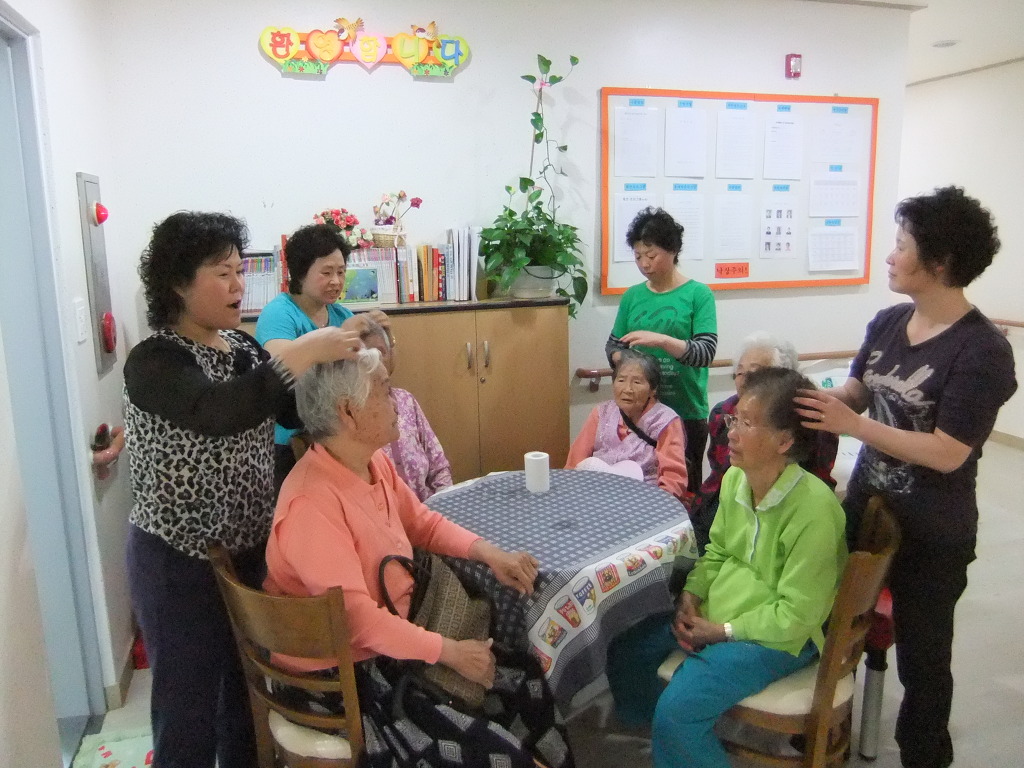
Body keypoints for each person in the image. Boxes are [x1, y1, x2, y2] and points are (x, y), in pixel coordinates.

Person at [124, 211, 363, 768]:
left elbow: (289, 411)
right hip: (178, 562)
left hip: (250, 554)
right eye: (222, 273)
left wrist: (347, 369)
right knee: (187, 712)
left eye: (240, 271)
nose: (239, 286)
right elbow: (218, 411)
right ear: (178, 284)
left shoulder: (241, 347)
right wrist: (303, 351)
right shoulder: (156, 360)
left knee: (247, 700)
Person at [264, 349, 575, 768]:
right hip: (346, 674)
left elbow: (422, 523)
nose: (396, 400)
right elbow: (356, 620)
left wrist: (489, 554)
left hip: (399, 636)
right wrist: (450, 652)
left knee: (524, 676)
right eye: (383, 390)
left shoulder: (370, 463)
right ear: (349, 413)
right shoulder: (311, 505)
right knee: (493, 748)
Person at [794, 186, 1017, 768]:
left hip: (933, 530)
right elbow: (858, 391)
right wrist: (809, 398)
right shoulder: (890, 321)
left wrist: (853, 426)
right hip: (866, 509)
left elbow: (947, 452)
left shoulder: (982, 351)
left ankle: (925, 754)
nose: (890, 257)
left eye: (901, 246)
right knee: (828, 618)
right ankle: (820, 724)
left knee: (924, 658)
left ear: (939, 263)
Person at [606, 368, 847, 768]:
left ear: (784, 440)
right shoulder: (736, 479)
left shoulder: (815, 511)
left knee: (678, 711)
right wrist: (691, 595)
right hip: (720, 612)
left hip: (776, 638)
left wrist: (722, 632)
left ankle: (678, 732)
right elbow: (717, 550)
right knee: (627, 651)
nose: (731, 432)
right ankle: (674, 741)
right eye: (734, 419)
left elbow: (798, 615)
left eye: (747, 424)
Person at [256, 223, 383, 492]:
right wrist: (340, 337)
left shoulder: (341, 314)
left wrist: (385, 337)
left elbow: (374, 373)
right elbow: (285, 373)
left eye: (341, 272)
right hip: (291, 438)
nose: (336, 281)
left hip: (337, 431)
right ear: (300, 272)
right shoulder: (278, 313)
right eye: (326, 272)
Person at [688, 332, 839, 553]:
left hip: (781, 511)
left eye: (755, 372)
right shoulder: (723, 413)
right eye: (739, 372)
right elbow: (718, 471)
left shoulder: (812, 422)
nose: (745, 380)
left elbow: (813, 482)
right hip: (723, 502)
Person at [606, 206, 717, 494]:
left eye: (651, 255)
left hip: (685, 410)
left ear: (673, 250)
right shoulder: (632, 296)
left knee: (682, 490)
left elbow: (705, 352)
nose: (644, 263)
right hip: (638, 411)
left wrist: (661, 341)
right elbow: (613, 346)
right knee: (637, 485)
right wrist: (630, 365)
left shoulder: (698, 294)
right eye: (638, 256)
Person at [565, 348, 688, 503]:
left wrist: (654, 507)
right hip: (595, 497)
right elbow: (575, 461)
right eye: (621, 380)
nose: (627, 389)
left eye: (637, 382)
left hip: (643, 501)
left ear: (653, 389)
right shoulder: (602, 412)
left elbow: (673, 479)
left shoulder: (665, 421)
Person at [359, 318, 454, 500]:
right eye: (369, 355)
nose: (378, 360)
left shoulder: (406, 400)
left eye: (382, 352)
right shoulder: (355, 416)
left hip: (428, 509)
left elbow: (439, 466)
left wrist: (443, 503)